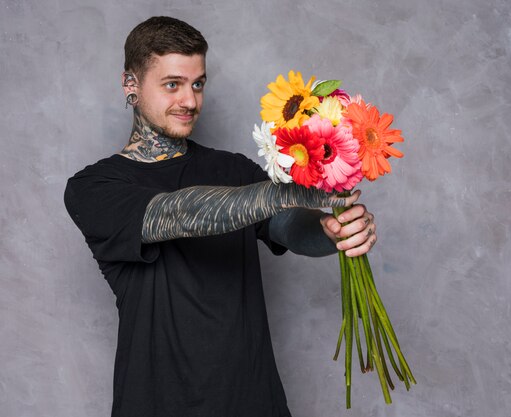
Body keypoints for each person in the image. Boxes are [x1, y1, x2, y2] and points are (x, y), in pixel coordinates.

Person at [64, 16, 377, 417]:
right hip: (157, 403)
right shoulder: (94, 187)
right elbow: (180, 214)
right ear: (131, 85)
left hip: (254, 400)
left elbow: (288, 225)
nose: (190, 101)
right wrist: (286, 191)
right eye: (172, 84)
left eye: (198, 84)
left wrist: (331, 232)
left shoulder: (234, 169)